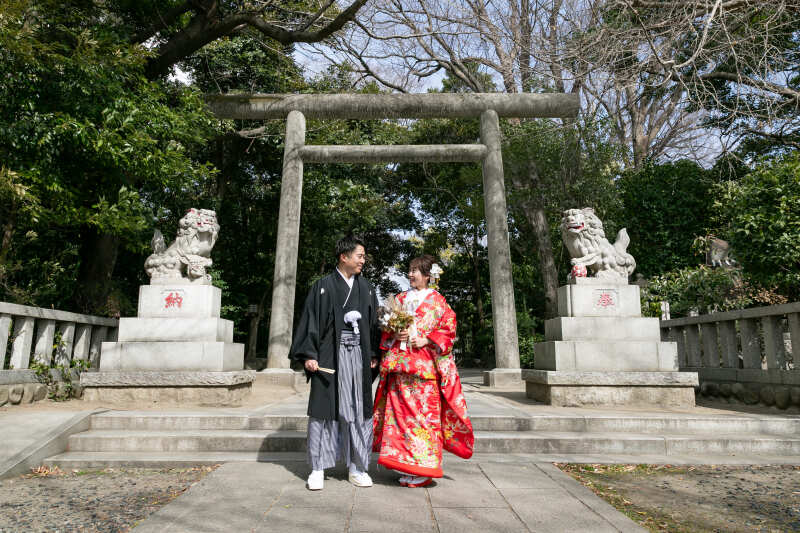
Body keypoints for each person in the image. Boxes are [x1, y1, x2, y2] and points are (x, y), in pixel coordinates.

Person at [372, 255, 474, 487]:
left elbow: (449, 329)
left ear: (428, 275)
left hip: (424, 368)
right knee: (398, 419)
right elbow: (385, 330)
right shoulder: (399, 298)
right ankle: (405, 464)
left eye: (416, 271)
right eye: (409, 270)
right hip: (400, 367)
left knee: (423, 420)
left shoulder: (438, 302)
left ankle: (425, 468)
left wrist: (426, 339)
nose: (410, 274)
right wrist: (394, 334)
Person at [289, 235, 380, 491]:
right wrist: (309, 354)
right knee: (324, 411)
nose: (363, 260)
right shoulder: (323, 286)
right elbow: (310, 321)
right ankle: (318, 468)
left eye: (363, 256)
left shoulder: (368, 288)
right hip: (329, 356)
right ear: (344, 256)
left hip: (359, 356)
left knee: (358, 409)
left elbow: (373, 325)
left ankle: (357, 467)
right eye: (359, 255)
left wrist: (373, 352)